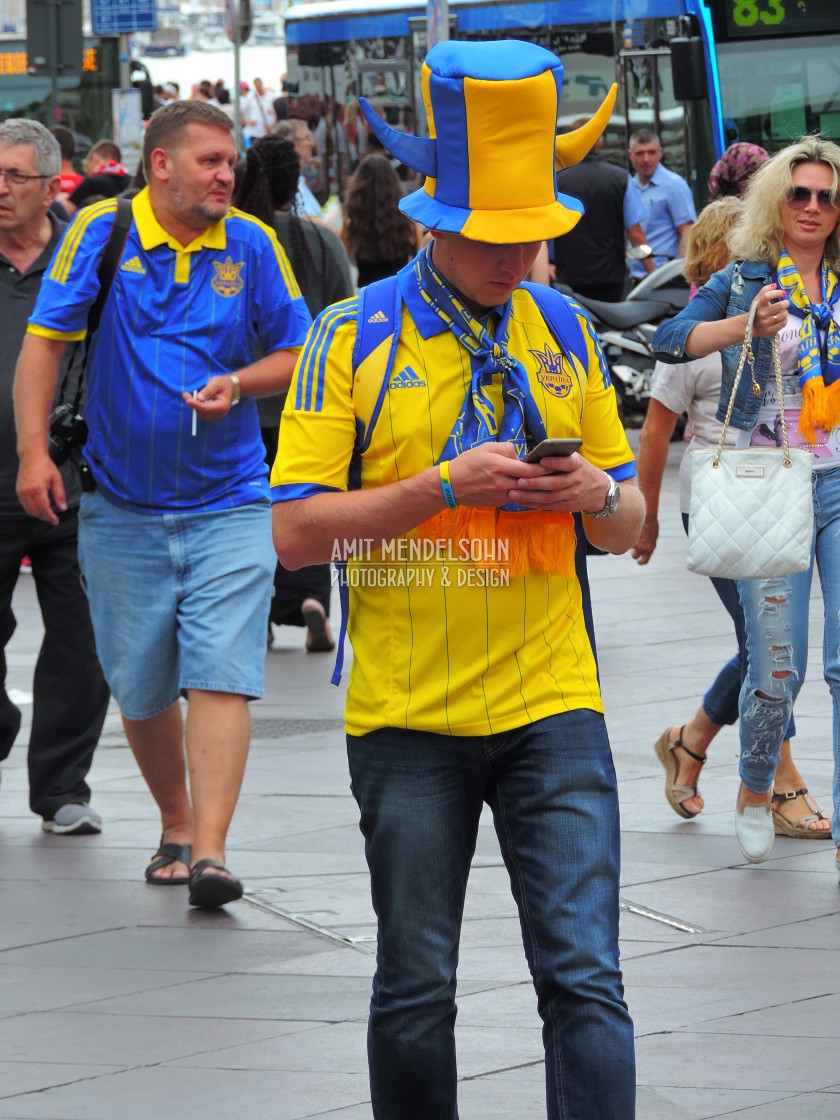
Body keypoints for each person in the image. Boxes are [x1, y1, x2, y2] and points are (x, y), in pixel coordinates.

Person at [271, 39, 642, 1119]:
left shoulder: (564, 327)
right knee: (417, 989)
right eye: (490, 234)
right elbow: (294, 534)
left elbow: (628, 526)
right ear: (435, 219)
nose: (514, 254)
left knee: (586, 979)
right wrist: (439, 487)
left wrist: (592, 500)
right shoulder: (351, 339)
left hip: (552, 702)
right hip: (406, 715)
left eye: (532, 232)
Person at [14, 101, 311, 905]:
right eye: (211, 161)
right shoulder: (101, 234)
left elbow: (298, 351)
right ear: (161, 166)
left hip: (231, 502)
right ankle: (175, 823)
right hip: (120, 508)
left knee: (220, 671)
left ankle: (210, 853)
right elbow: (46, 340)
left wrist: (239, 384)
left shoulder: (252, 244)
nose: (227, 175)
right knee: (141, 683)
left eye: (231, 161)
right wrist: (35, 454)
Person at [651, 135, 840, 870]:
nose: (814, 207)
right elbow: (669, 339)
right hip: (772, 483)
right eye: (800, 193)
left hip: (837, 480)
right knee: (776, 666)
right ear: (776, 202)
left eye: (827, 196)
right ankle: (756, 787)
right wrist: (742, 326)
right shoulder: (745, 279)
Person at [0, 120, 110, 835]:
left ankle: (62, 787)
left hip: (73, 481)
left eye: (13, 176)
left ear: (50, 184)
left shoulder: (88, 255)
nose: (0, 189)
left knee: (83, 638)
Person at [235, 134, 354, 651]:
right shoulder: (320, 241)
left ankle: (258, 611)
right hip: (312, 409)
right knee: (305, 507)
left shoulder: (237, 242)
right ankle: (312, 602)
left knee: (253, 512)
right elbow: (348, 326)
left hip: (245, 404)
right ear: (294, 182)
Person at [554, 122, 653, 301]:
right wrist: (653, 273)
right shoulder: (621, 178)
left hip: (567, 277)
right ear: (599, 142)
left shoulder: (557, 181)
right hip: (611, 280)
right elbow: (635, 233)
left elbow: (546, 231)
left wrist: (545, 265)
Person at [340, 154, 425, 286]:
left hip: (367, 296)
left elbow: (342, 257)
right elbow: (418, 254)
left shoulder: (352, 224)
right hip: (398, 294)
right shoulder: (408, 223)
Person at [628, 129, 695, 278]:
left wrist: (677, 274)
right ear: (630, 155)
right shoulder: (629, 187)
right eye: (640, 153)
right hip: (634, 278)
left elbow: (687, 231)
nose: (646, 159)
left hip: (664, 279)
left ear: (660, 152)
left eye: (651, 152)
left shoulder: (674, 185)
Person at [65, 141, 130, 216]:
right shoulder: (131, 182)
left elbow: (68, 208)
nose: (87, 172)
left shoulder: (91, 183)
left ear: (94, 157)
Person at [273, 118, 321, 217]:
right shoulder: (283, 188)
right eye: (307, 138)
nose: (312, 144)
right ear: (292, 145)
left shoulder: (300, 180)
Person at [243, 77, 276, 144]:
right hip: (254, 132)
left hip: (268, 131)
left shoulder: (271, 96)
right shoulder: (250, 97)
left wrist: (272, 126)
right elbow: (241, 112)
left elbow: (277, 111)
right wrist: (247, 122)